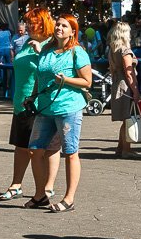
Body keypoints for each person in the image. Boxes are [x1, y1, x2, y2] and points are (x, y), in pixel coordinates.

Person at [26, 13, 92, 213]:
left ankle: (69, 199)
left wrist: (66, 80)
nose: (59, 28)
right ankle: (40, 195)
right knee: (35, 150)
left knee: (70, 152)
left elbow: (87, 81)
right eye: (58, 25)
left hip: (68, 107)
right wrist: (32, 96)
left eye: (64, 26)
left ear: (73, 31)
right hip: (45, 107)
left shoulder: (77, 52)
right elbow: (40, 76)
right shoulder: (46, 49)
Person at [0, 8, 59, 202]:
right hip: (21, 102)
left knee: (45, 148)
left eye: (34, 22)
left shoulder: (52, 43)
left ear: (44, 23)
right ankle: (16, 185)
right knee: (21, 145)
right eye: (28, 22)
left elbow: (55, 71)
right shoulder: (26, 42)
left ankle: (47, 187)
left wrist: (41, 53)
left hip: (40, 104)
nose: (29, 26)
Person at [107, 21, 141, 158]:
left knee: (125, 119)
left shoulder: (112, 49)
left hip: (117, 83)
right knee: (128, 118)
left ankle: (120, 147)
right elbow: (129, 72)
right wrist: (136, 90)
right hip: (126, 86)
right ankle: (126, 149)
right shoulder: (125, 50)